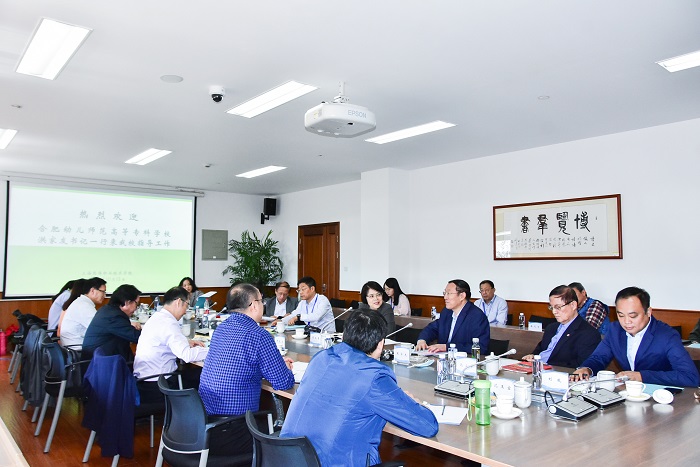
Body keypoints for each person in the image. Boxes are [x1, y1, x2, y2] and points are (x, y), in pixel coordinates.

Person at [281, 309, 438, 466]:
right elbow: (427, 426)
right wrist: (413, 403)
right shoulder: (374, 377)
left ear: (344, 335)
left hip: (287, 459)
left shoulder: (321, 358)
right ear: (381, 344)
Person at [199, 283, 295, 416]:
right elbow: (283, 382)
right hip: (237, 419)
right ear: (254, 305)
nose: (263, 305)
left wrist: (275, 363)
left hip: (205, 413)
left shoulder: (220, 328)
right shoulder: (259, 335)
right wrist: (285, 367)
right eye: (261, 301)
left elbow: (240, 364)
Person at [573, 287, 699, 387]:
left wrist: (642, 376)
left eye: (633, 316)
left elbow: (690, 377)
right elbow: (599, 357)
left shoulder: (667, 335)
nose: (626, 322)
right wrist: (586, 369)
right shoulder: (615, 330)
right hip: (629, 395)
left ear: (648, 312)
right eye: (621, 315)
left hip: (663, 397)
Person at [133, 287, 208, 403]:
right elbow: (187, 355)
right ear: (178, 302)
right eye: (187, 305)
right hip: (159, 386)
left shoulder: (157, 317)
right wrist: (213, 350)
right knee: (204, 374)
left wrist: (186, 342)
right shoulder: (168, 323)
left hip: (145, 381)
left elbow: (164, 340)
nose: (185, 311)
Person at [522, 285, 600, 368]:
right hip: (537, 368)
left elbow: (581, 365)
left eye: (558, 307)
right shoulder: (551, 328)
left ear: (573, 305)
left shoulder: (588, 333)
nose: (554, 312)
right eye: (551, 307)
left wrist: (546, 366)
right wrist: (532, 356)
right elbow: (540, 349)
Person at [416, 280, 489, 353]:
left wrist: (447, 347)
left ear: (462, 296)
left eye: (449, 293)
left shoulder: (477, 316)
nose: (445, 297)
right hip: (442, 357)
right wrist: (422, 340)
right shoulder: (447, 311)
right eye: (445, 293)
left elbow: (481, 347)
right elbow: (432, 328)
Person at [81, 284, 143, 362]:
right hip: (100, 365)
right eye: (137, 304)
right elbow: (136, 337)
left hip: (100, 359)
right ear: (127, 302)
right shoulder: (114, 316)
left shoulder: (108, 310)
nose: (136, 308)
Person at [59, 277, 107, 348]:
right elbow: (99, 328)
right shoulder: (84, 306)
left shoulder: (82, 302)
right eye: (103, 292)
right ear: (92, 290)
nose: (105, 296)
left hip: (73, 346)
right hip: (77, 349)